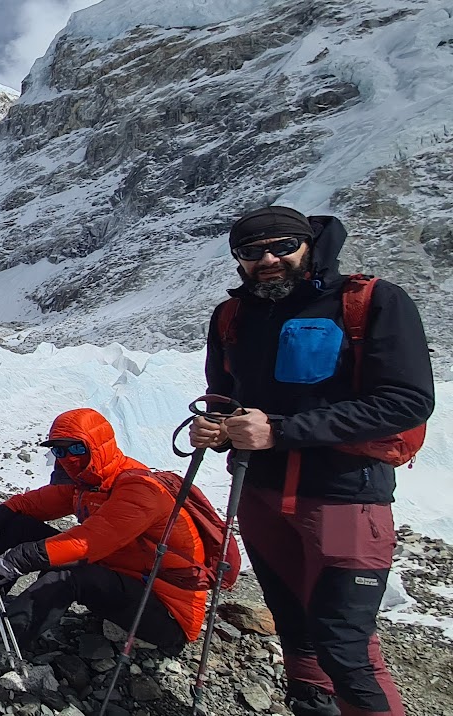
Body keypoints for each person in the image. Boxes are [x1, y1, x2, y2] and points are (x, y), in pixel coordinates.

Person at [188, 206, 434, 716]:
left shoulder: (371, 302)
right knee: (295, 625)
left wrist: (280, 430)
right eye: (251, 252)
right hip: (260, 494)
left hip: (344, 496)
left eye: (282, 247)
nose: (267, 260)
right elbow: (225, 394)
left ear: (310, 245)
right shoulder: (232, 316)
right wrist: (216, 427)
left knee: (344, 645)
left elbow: (406, 402)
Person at [0, 408, 208, 699]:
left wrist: (14, 561)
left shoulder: (140, 490)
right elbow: (26, 505)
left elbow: (88, 543)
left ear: (99, 446)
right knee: (22, 526)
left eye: (77, 448)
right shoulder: (88, 485)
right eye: (59, 450)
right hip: (122, 579)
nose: (69, 458)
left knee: (70, 573)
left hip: (166, 612)